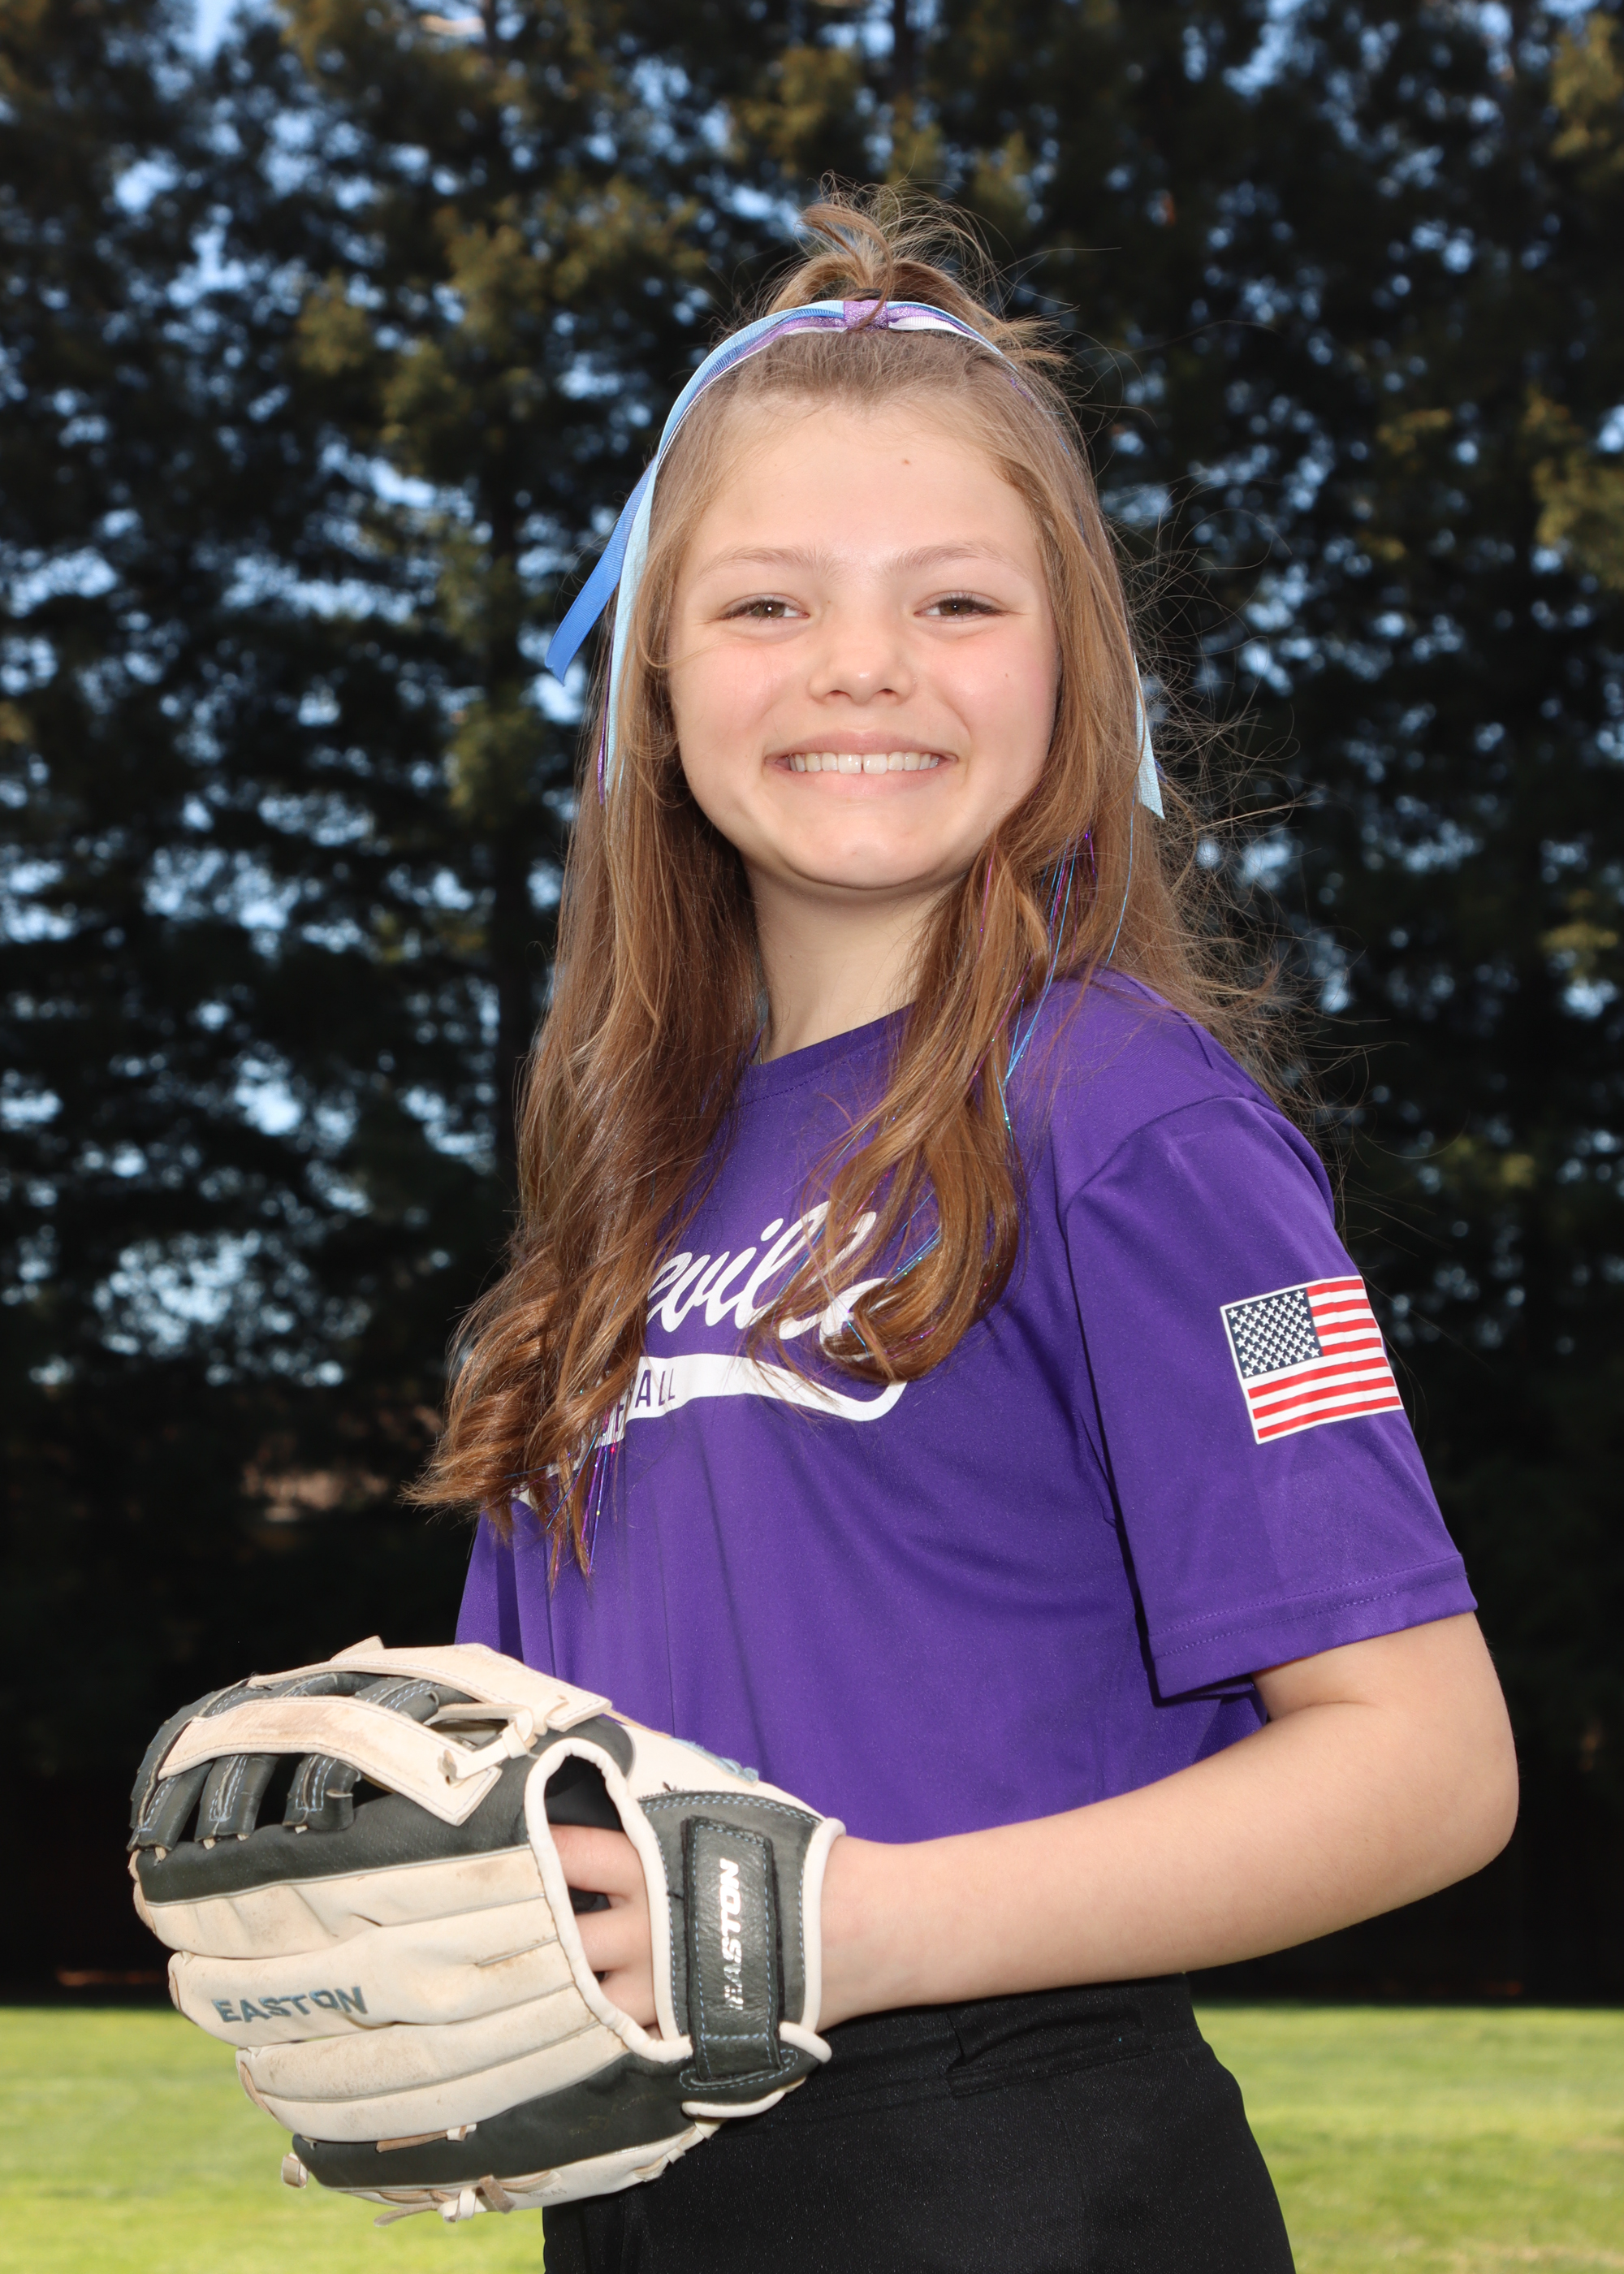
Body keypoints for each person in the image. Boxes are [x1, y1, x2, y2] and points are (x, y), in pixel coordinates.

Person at [415, 192, 1518, 2273]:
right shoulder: (622, 1192)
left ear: (1071, 666)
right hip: (646, 2199)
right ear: (653, 681)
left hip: (1025, 2178)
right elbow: (552, 1767)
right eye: (766, 602)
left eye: (955, 600)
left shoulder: (1134, 1119)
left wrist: (850, 1919)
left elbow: (1429, 1763)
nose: (862, 664)